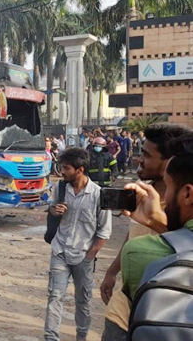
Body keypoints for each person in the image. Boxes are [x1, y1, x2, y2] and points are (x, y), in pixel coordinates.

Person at [99, 123, 190, 341]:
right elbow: (132, 236)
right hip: (121, 314)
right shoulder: (141, 195)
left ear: (168, 162)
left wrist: (156, 222)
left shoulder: (182, 208)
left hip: (159, 316)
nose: (139, 159)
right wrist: (112, 272)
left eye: (147, 155)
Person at [119, 133, 193, 325]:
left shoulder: (138, 253)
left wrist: (157, 222)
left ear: (187, 194)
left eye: (168, 187)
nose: (165, 199)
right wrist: (155, 221)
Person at [44, 147, 112, 341]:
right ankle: (51, 337)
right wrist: (54, 210)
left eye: (65, 168)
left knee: (83, 301)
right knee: (55, 296)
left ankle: (81, 337)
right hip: (60, 251)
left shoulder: (99, 195)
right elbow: (50, 208)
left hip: (83, 256)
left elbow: (104, 232)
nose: (62, 172)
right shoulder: (60, 188)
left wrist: (89, 257)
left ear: (79, 169)